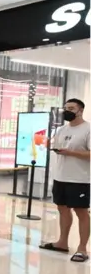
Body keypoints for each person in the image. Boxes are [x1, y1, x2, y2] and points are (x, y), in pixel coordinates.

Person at [40, 98, 90, 263]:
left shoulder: (88, 129)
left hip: (79, 178)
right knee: (62, 209)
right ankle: (62, 242)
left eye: (71, 108)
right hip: (60, 176)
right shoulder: (61, 129)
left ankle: (82, 248)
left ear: (80, 110)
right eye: (66, 107)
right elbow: (57, 146)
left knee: (81, 212)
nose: (67, 110)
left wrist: (71, 153)